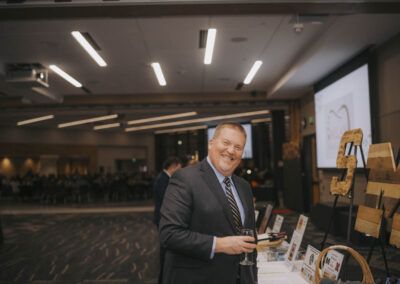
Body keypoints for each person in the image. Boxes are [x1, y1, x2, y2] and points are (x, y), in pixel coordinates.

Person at [159, 122, 257, 284]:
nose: (231, 150)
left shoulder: (244, 186)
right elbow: (169, 234)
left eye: (238, 147)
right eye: (226, 143)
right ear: (211, 143)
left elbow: (249, 238)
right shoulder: (185, 179)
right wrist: (219, 244)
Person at [153, 156, 182, 227]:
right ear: (173, 167)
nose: (180, 171)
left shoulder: (165, 177)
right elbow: (165, 198)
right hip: (163, 217)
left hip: (164, 216)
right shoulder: (162, 179)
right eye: (179, 168)